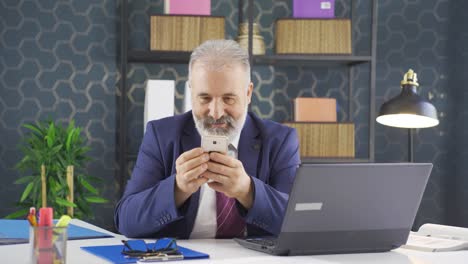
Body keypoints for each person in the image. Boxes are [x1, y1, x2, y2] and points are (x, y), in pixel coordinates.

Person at [114, 39, 300, 239]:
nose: (217, 113)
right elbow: (126, 221)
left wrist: (247, 191)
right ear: (191, 92)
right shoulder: (162, 135)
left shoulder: (280, 140)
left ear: (248, 93)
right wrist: (177, 188)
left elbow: (298, 222)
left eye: (228, 98)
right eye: (205, 98)